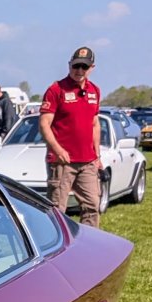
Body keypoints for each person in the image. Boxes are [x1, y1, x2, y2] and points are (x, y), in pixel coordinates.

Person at [39, 46, 103, 227]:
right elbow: (44, 124)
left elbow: (94, 124)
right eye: (76, 66)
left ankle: (91, 246)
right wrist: (58, 150)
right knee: (57, 209)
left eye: (84, 67)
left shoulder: (94, 91)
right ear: (69, 65)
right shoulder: (56, 89)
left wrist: (97, 156)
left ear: (92, 68)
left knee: (92, 206)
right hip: (62, 162)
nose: (79, 71)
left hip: (88, 161)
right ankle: (56, 250)